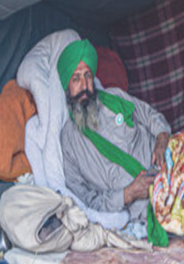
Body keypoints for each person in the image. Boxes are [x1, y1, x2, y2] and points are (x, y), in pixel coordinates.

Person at [58, 39, 171, 224]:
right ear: (66, 87)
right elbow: (85, 199)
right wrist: (127, 194)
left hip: (169, 165)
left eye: (87, 76)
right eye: (76, 79)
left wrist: (162, 139)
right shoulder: (69, 142)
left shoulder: (114, 98)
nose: (84, 86)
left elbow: (150, 116)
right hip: (146, 206)